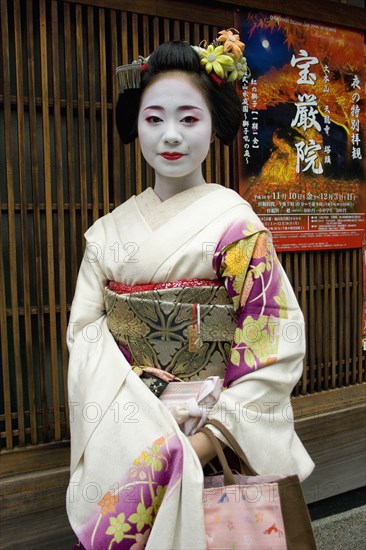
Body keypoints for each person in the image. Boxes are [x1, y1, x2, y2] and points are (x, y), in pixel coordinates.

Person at [66, 29, 314, 550]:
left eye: (188, 118)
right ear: (136, 124)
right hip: (131, 437)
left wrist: (203, 441)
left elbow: (273, 344)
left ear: (213, 124)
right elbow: (85, 335)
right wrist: (140, 417)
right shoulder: (108, 233)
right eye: (154, 119)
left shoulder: (236, 226)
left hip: (211, 436)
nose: (170, 136)